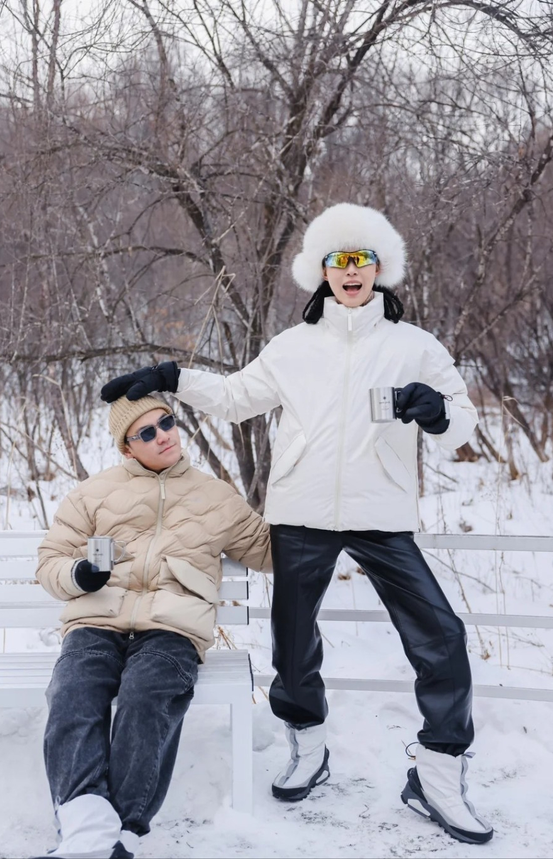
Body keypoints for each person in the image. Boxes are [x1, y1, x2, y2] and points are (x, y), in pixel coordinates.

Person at [100, 203, 494, 845]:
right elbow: (235, 400)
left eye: (361, 260)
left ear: (379, 270)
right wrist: (172, 377)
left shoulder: (414, 347)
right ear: (321, 272)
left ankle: (440, 771)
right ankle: (308, 744)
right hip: (301, 515)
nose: (350, 273)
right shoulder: (293, 346)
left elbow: (463, 428)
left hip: (381, 517)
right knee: (291, 641)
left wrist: (437, 414)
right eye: (338, 261)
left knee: (441, 637)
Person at [35, 395, 272, 859]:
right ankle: (91, 829)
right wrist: (79, 575)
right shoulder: (92, 493)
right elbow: (51, 560)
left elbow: (271, 553)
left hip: (172, 627)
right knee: (72, 693)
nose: (163, 434)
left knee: (147, 697)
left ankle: (116, 832)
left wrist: (308, 507)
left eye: (166, 422)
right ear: (127, 448)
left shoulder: (216, 496)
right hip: (97, 620)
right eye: (146, 432)